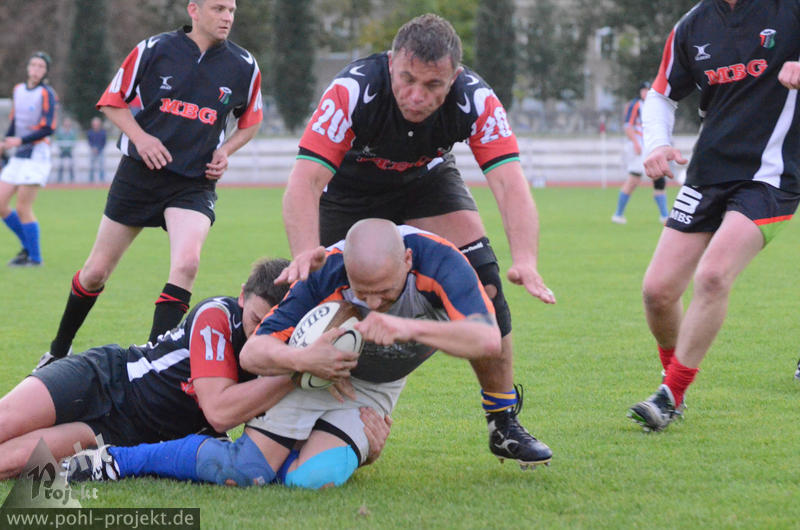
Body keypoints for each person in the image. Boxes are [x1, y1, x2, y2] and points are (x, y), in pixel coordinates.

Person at [276, 13, 554, 467]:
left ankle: (502, 421)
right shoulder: (353, 91)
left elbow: (510, 183)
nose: (417, 95)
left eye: (433, 85)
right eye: (407, 79)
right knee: (326, 301)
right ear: (391, 63)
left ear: (454, 78)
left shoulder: (475, 99)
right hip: (349, 193)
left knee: (485, 282)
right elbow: (304, 181)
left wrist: (525, 258)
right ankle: (306, 414)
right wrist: (305, 250)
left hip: (427, 183)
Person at [64, 219, 513, 489]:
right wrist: (305, 361)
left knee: (310, 481)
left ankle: (325, 449)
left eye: (385, 292)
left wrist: (405, 326)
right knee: (245, 471)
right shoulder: (327, 272)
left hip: (375, 388)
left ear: (408, 263)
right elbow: (254, 354)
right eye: (363, 292)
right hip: (314, 369)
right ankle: (118, 460)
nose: (374, 304)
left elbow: (487, 339)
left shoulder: (443, 262)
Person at [41, 0, 263, 368]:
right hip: (139, 176)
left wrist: (226, 151)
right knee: (95, 273)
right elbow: (112, 102)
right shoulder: (154, 49)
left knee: (187, 264)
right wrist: (141, 139)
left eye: (232, 10)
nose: (227, 17)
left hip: (194, 182)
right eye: (218, 9)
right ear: (194, 10)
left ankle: (150, 367)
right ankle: (58, 351)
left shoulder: (244, 65)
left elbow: (250, 121)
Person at [627, 0, 800, 432]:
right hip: (706, 174)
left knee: (713, 275)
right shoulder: (692, 25)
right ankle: (672, 383)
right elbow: (660, 95)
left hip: (769, 176)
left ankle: (670, 395)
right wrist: (656, 144)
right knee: (658, 291)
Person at [0, 258, 297, 479]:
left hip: (120, 433)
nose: (261, 334)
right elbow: (219, 413)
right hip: (105, 377)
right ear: (243, 296)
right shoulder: (217, 315)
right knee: (5, 420)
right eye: (256, 320)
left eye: (272, 327)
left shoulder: (288, 351)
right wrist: (296, 373)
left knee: (10, 463)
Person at [0, 51, 57, 267]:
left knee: (23, 208)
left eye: (41, 66)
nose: (36, 69)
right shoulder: (18, 90)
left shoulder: (47, 93)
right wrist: (5, 142)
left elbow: (48, 128)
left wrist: (20, 140)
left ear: (45, 71)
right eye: (33, 65)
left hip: (37, 155)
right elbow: (15, 122)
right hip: (19, 155)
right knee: (1, 203)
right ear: (27, 68)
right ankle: (28, 248)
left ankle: (35, 258)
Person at [611, 81, 670, 225]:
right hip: (639, 147)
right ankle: (618, 214)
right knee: (633, 180)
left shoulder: (655, 106)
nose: (646, 92)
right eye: (644, 90)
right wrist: (636, 143)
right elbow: (628, 126)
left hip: (651, 147)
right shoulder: (635, 105)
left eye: (648, 90)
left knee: (659, 178)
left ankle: (664, 216)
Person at [54, 117, 77, 183]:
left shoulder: (72, 132)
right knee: (61, 166)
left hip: (69, 151)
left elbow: (74, 140)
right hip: (62, 151)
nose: (67, 124)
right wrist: (62, 147)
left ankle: (72, 179)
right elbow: (58, 140)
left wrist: (69, 147)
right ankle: (59, 179)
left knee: (71, 166)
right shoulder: (60, 132)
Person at [86, 116, 107, 183]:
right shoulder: (90, 132)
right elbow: (89, 142)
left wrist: (98, 148)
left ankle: (102, 180)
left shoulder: (103, 132)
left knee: (101, 166)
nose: (96, 125)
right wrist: (93, 148)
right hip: (92, 151)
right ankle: (91, 180)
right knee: (91, 167)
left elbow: (104, 142)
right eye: (94, 124)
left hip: (100, 151)